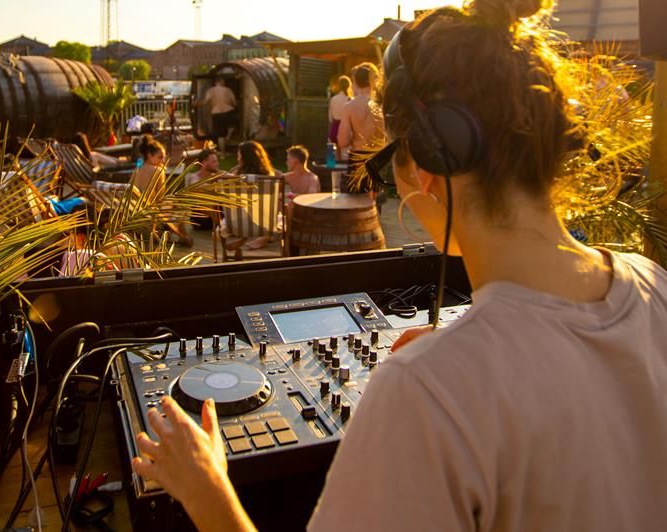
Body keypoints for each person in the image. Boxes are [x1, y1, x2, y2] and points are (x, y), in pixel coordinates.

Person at [129, 2, 667, 531]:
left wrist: (206, 489)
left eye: (391, 162)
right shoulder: (655, 285)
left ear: (431, 162)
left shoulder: (422, 392)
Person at [132, 135, 193, 246]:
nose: (163, 160)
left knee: (172, 202)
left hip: (134, 218)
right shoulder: (158, 171)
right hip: (150, 220)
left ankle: (180, 236)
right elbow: (160, 199)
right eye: (160, 157)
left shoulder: (137, 170)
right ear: (150, 155)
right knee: (178, 204)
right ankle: (183, 236)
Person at [337, 62, 385, 192]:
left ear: (355, 81)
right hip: (377, 159)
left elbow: (342, 141)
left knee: (356, 207)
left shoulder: (350, 107)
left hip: (358, 159)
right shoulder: (382, 106)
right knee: (374, 206)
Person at [198, 78, 237, 154]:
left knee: (220, 135)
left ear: (216, 83)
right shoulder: (228, 90)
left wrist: (197, 103)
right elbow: (234, 102)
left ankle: (222, 154)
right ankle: (228, 136)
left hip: (216, 113)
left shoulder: (211, 91)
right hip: (228, 111)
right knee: (232, 126)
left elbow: (205, 102)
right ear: (222, 81)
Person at [328, 75, 352, 144]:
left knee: (336, 152)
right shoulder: (350, 100)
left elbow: (330, 118)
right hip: (346, 129)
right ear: (348, 86)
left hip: (334, 128)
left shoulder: (333, 99)